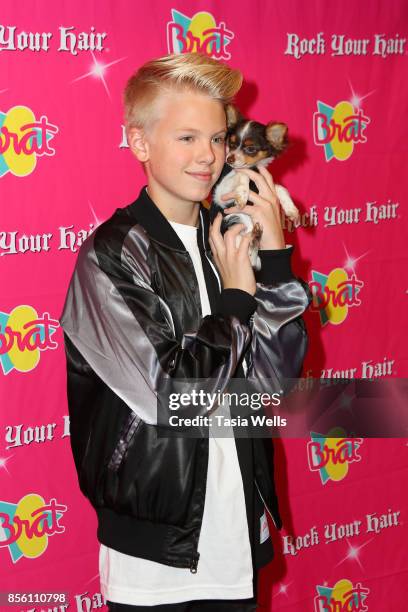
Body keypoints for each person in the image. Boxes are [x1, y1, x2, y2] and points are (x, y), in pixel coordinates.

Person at [59, 52, 312, 611]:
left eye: (219, 138)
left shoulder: (229, 236)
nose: (209, 156)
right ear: (140, 142)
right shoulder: (112, 256)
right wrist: (238, 297)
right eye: (187, 138)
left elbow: (274, 389)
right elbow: (173, 398)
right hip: (156, 557)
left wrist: (271, 265)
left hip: (239, 536)